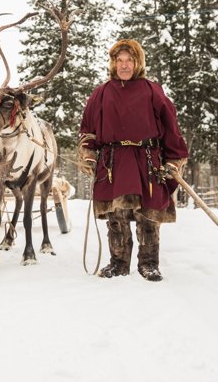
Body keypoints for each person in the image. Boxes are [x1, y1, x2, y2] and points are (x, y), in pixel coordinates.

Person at [78, 39, 188, 281]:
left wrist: (174, 159)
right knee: (116, 217)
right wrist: (88, 154)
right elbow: (88, 129)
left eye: (129, 60)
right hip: (113, 161)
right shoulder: (102, 92)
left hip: (147, 160)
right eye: (119, 60)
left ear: (138, 63)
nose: (124, 65)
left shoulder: (152, 90)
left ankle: (149, 264)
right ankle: (118, 263)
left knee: (148, 216)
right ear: (113, 63)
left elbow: (171, 127)